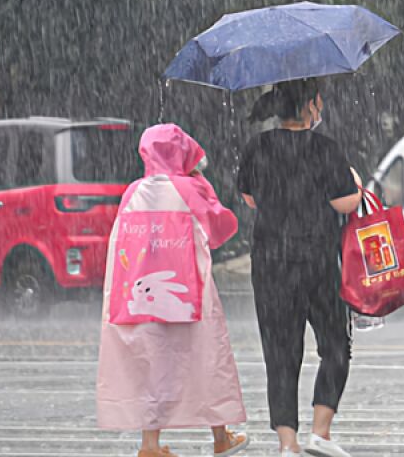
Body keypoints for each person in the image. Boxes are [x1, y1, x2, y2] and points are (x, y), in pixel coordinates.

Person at [96, 124, 249, 457]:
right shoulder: (189, 188)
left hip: (138, 297)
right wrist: (202, 185)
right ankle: (220, 438)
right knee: (206, 358)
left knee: (150, 365)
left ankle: (150, 445)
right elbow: (221, 228)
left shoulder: (133, 191)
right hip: (185, 293)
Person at [238, 80, 362, 457]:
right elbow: (345, 203)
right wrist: (354, 182)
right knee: (335, 344)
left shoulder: (258, 146)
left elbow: (250, 199)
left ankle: (287, 444)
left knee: (280, 352)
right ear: (310, 105)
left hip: (272, 263)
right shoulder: (324, 148)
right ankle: (320, 432)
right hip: (318, 261)